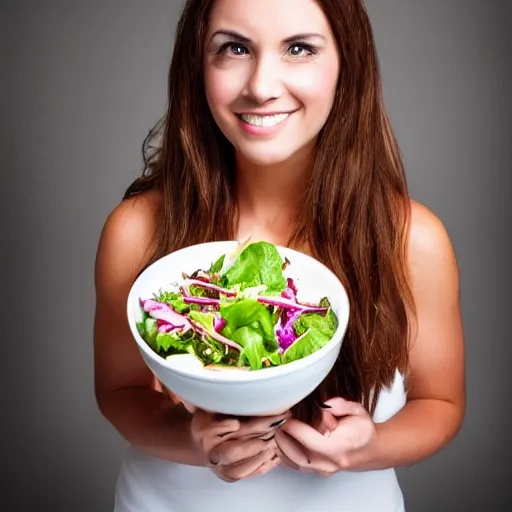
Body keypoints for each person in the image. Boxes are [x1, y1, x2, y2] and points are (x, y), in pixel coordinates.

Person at [93, 0, 466, 510]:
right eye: (235, 48)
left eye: (299, 48)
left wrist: (367, 447)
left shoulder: (412, 239)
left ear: (347, 63)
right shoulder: (137, 230)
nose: (262, 85)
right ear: (197, 63)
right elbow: (119, 393)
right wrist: (196, 445)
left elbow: (440, 404)